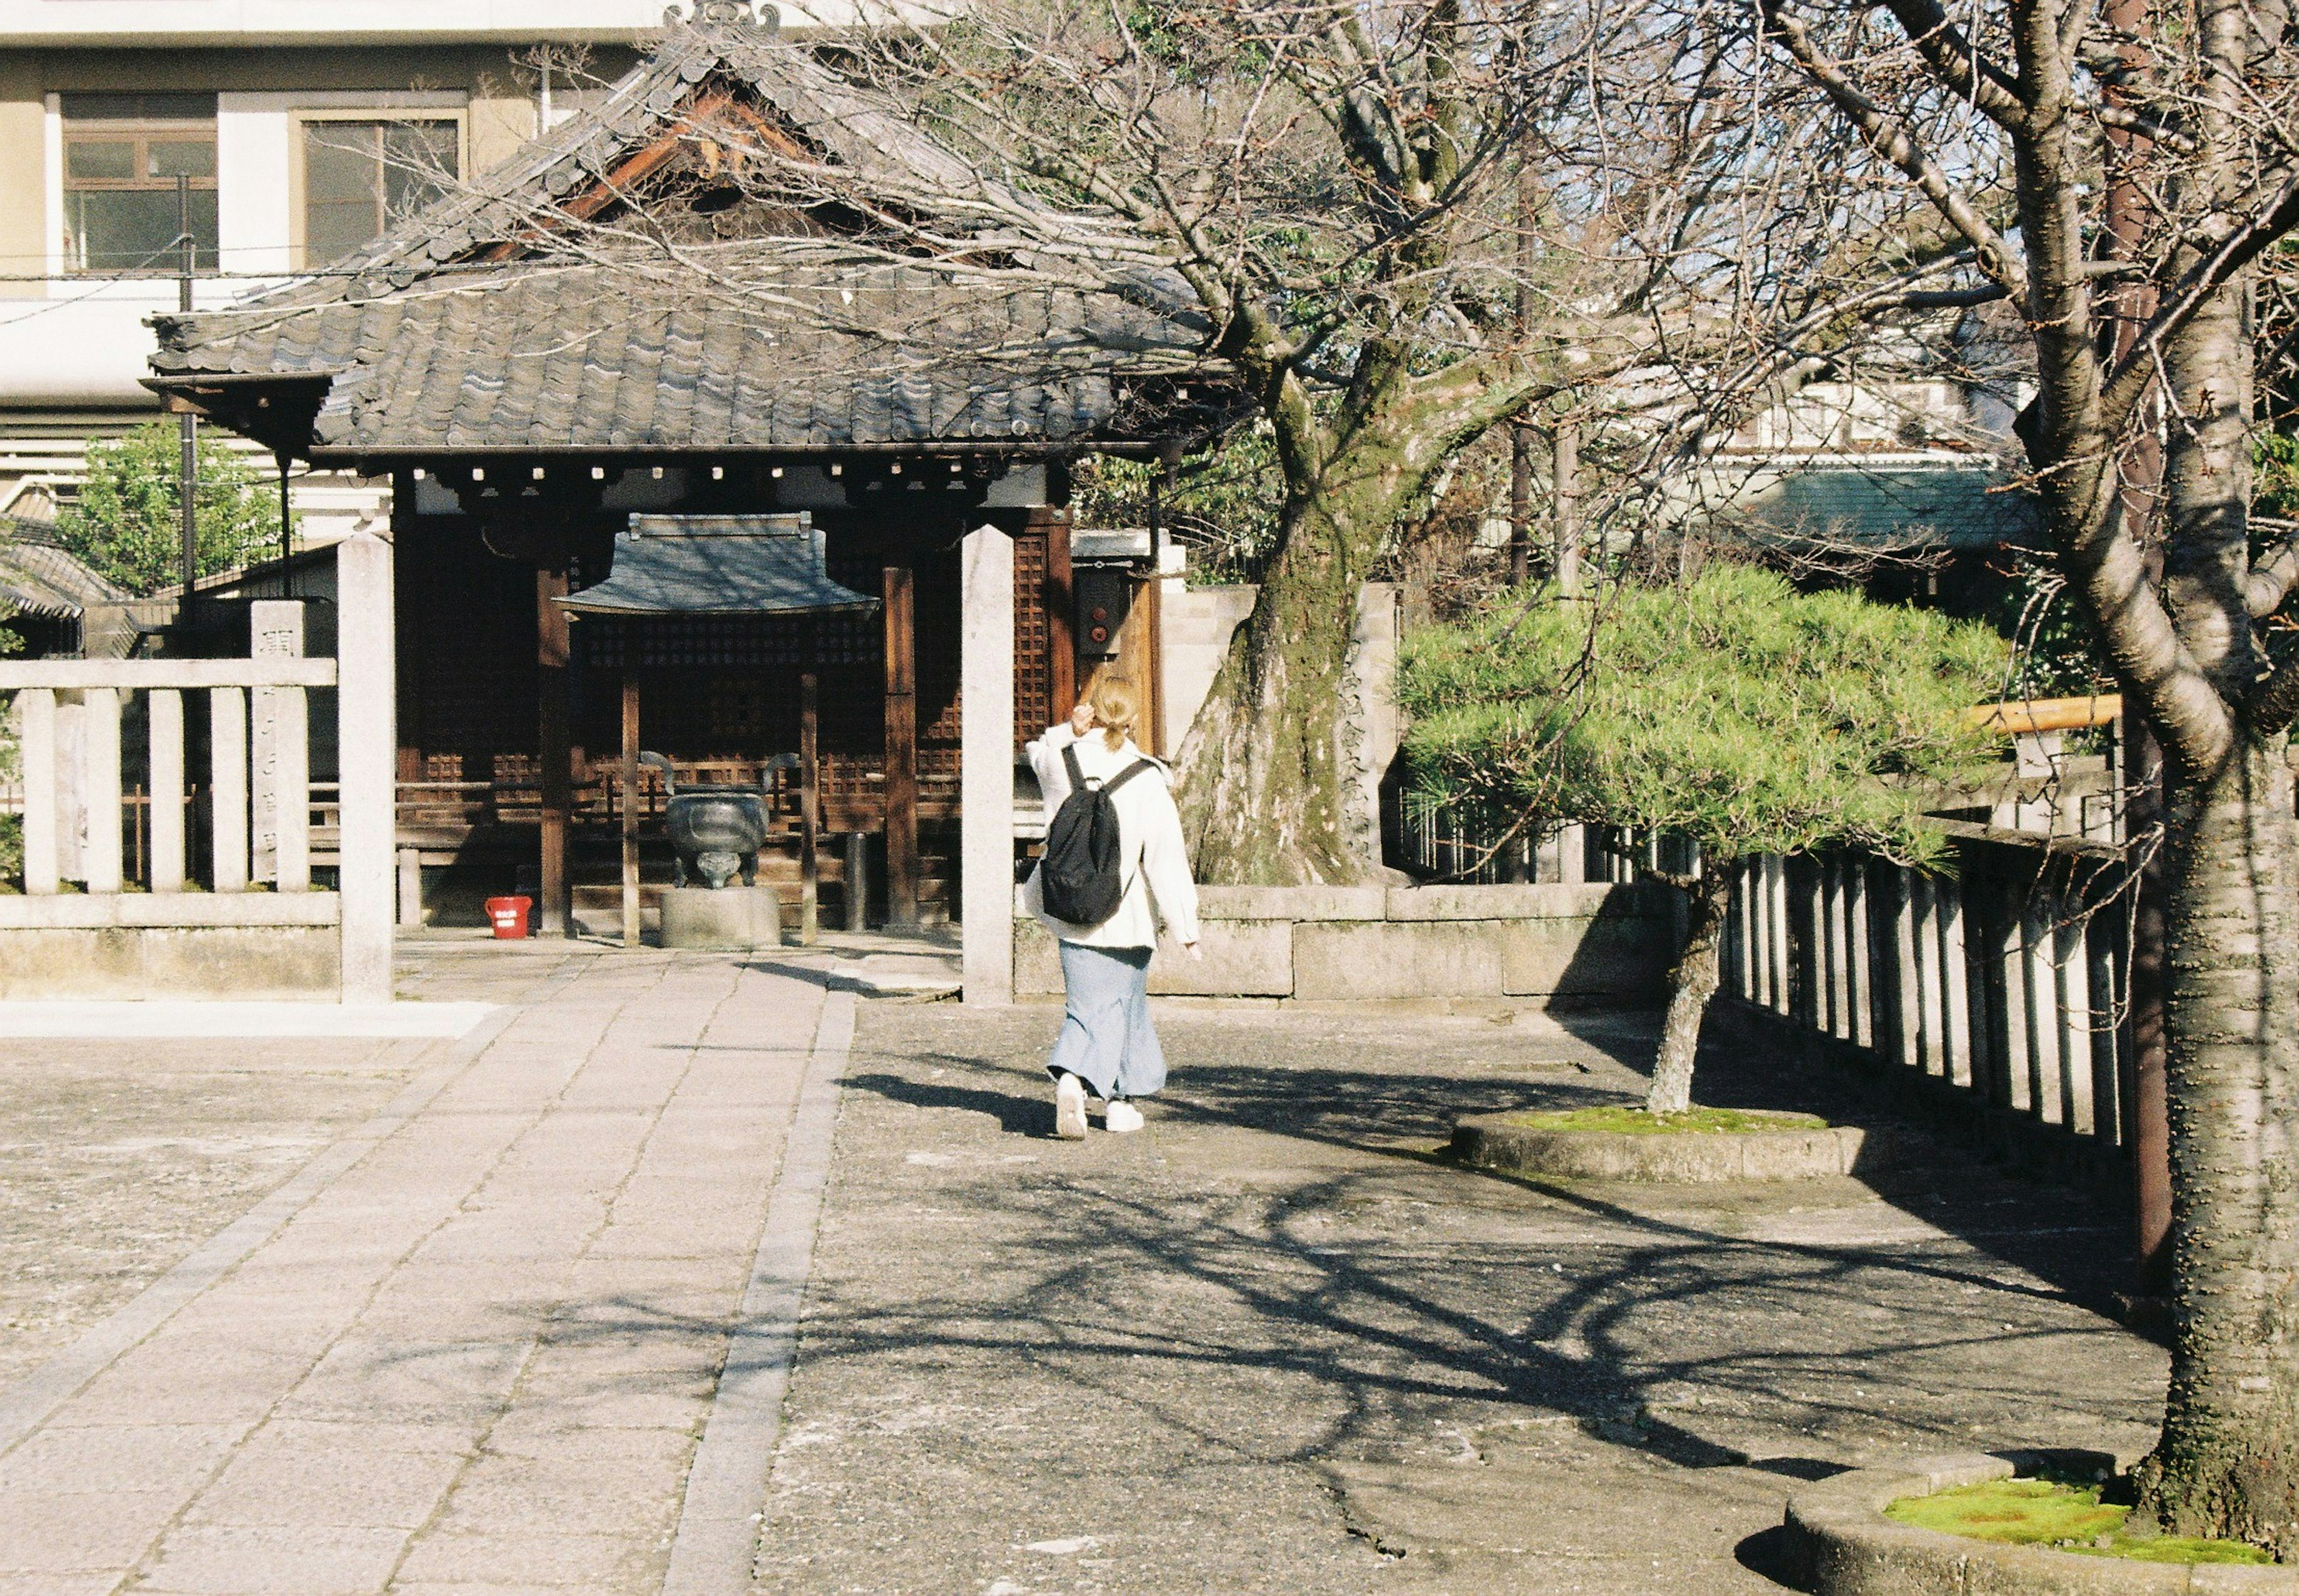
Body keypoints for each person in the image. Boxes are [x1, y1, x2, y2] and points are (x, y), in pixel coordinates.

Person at [1022, 675, 1200, 1138]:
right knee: (1126, 1005)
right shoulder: (1148, 775)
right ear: (1135, 718)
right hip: (1127, 913)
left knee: (1089, 1006)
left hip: (1069, 906)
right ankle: (1079, 1082)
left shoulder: (1061, 760)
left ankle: (1109, 1098)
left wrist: (1069, 730)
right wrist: (1185, 924)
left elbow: (1035, 751)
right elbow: (1165, 856)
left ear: (1092, 711)